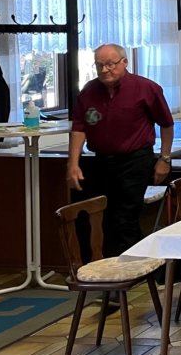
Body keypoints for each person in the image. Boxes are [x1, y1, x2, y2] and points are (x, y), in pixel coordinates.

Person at [67, 42, 174, 257]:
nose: (105, 70)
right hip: (101, 161)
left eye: (110, 64)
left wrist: (165, 158)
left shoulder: (146, 88)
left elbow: (166, 124)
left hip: (135, 160)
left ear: (124, 62)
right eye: (99, 65)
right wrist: (73, 163)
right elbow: (79, 127)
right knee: (102, 217)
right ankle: (108, 265)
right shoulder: (89, 91)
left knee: (125, 217)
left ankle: (129, 268)